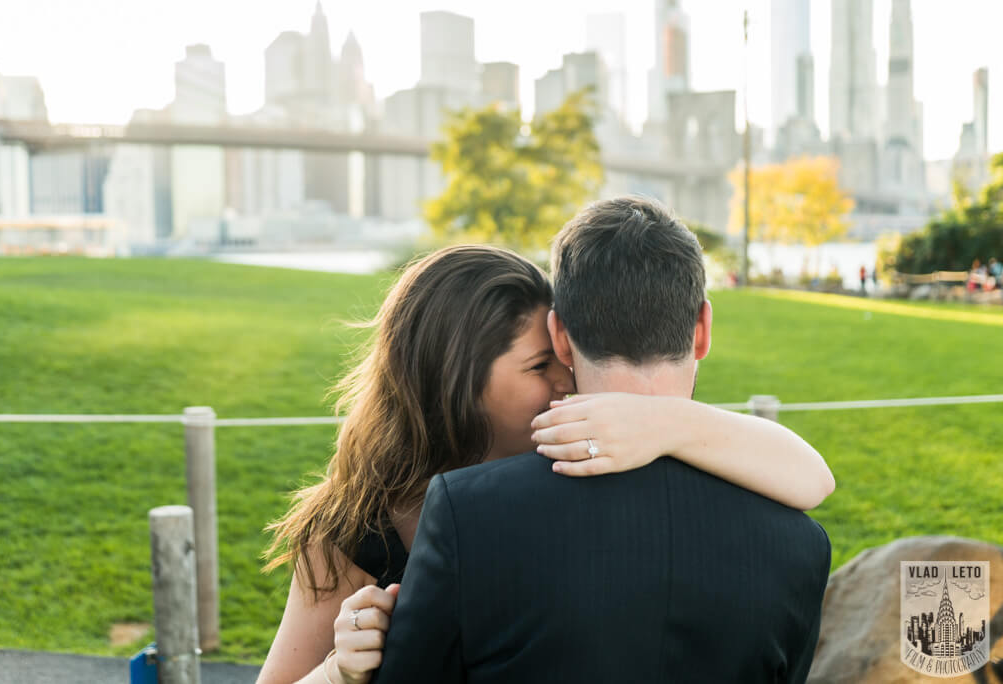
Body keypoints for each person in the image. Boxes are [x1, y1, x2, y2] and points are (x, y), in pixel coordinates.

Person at [256, 243, 834, 684]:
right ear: (457, 385)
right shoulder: (351, 532)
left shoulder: (585, 465)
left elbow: (812, 478)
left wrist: (663, 423)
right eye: (540, 367)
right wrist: (339, 672)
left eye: (563, 357)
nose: (568, 378)